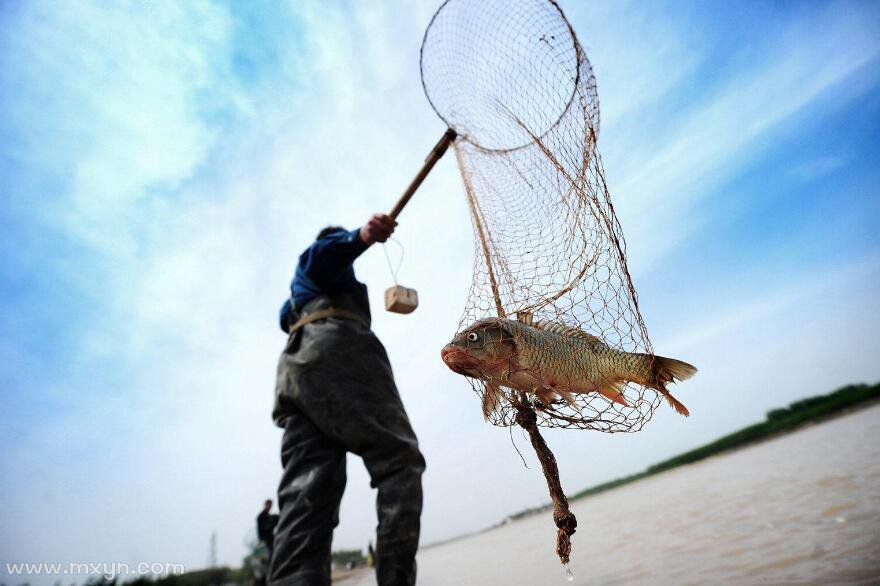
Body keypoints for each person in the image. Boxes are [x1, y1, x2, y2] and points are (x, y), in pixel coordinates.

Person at [269, 214, 426, 586]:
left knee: (307, 493)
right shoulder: (319, 262)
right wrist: (361, 236)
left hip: (296, 372)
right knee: (399, 461)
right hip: (339, 352)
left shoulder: (297, 299)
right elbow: (322, 255)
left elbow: (287, 312)